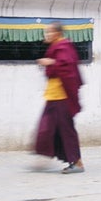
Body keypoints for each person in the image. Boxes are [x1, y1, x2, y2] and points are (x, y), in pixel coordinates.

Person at [34, 21, 85, 174]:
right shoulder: (56, 47)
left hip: (62, 96)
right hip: (53, 95)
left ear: (57, 33)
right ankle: (47, 158)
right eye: (46, 32)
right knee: (48, 128)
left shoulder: (64, 45)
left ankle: (77, 163)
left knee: (66, 129)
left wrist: (50, 62)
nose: (47, 35)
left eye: (49, 32)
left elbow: (68, 65)